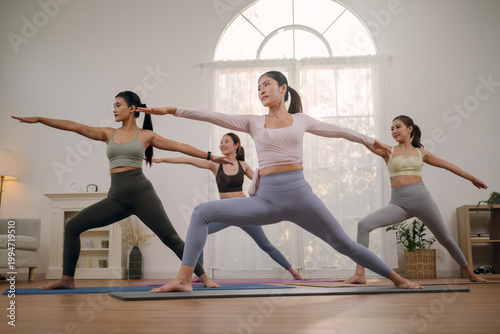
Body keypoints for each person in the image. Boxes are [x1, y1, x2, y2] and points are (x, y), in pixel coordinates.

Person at [138, 70, 423, 293]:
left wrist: (370, 141)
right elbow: (213, 116)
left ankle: (397, 279)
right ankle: (185, 278)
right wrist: (172, 110)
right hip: (267, 201)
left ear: (283, 89)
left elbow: (338, 131)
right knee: (201, 212)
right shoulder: (253, 122)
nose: (261, 90)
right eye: (258, 87)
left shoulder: (301, 120)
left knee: (343, 243)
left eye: (266, 85)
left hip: (301, 196)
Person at [12, 91, 229, 289]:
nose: (114, 109)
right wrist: (40, 119)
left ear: (132, 109)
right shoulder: (108, 134)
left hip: (141, 193)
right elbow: (74, 126)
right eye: (113, 106)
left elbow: (181, 146)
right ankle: (67, 279)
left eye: (118, 105)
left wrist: (210, 156)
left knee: (170, 237)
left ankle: (203, 277)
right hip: (116, 197)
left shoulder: (146, 135)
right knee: (72, 226)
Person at [344, 115, 488, 284]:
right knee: (363, 225)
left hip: (422, 200)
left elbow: (448, 165)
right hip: (399, 204)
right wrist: (345, 130)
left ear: (410, 128)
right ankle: (360, 274)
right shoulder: (387, 151)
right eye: (392, 129)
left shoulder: (422, 153)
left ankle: (470, 273)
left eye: (398, 127)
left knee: (446, 239)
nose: (394, 131)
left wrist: (472, 178)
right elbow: (363, 140)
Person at [153, 132, 308, 280]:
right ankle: (199, 273)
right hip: (225, 212)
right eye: (221, 142)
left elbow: (263, 184)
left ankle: (294, 272)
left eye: (226, 141)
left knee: (265, 244)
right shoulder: (215, 165)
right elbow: (188, 160)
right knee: (198, 232)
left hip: (245, 210)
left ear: (236, 145)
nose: (222, 144)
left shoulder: (243, 165)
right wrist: (162, 159)